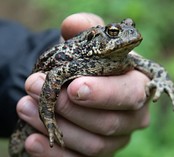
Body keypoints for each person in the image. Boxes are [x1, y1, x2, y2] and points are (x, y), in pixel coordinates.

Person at [1, 13, 150, 157]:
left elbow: (149, 67)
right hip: (33, 104)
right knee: (16, 148)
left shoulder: (127, 60)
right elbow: (55, 74)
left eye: (132, 27)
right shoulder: (82, 61)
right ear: (97, 38)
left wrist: (160, 82)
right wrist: (47, 117)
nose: (130, 33)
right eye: (113, 32)